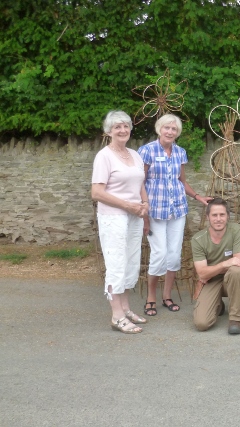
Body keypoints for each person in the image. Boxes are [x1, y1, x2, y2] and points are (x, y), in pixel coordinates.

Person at [138, 114, 211, 316]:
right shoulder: (147, 151)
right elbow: (139, 183)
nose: (170, 132)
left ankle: (166, 296)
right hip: (155, 211)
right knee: (159, 254)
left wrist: (197, 196)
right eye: (167, 128)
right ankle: (151, 296)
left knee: (173, 255)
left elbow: (181, 181)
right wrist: (144, 214)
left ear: (177, 132)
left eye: (174, 129)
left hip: (177, 210)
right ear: (159, 129)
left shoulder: (180, 152)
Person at [91, 110, 148, 334]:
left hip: (134, 215)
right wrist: (127, 206)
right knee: (116, 263)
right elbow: (96, 192)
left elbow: (140, 182)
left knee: (130, 261)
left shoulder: (134, 154)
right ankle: (116, 316)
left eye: (125, 126)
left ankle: (125, 308)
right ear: (108, 131)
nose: (122, 130)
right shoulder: (104, 156)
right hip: (113, 217)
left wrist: (145, 203)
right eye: (117, 127)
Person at [191, 198, 240, 334]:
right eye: (214, 215)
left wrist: (213, 269)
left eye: (222, 215)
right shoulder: (198, 239)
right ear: (208, 217)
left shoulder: (236, 230)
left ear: (228, 216)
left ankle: (235, 319)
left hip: (231, 279)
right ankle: (218, 304)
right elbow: (202, 274)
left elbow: (238, 262)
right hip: (211, 281)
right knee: (201, 324)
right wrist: (225, 263)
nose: (218, 219)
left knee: (236, 272)